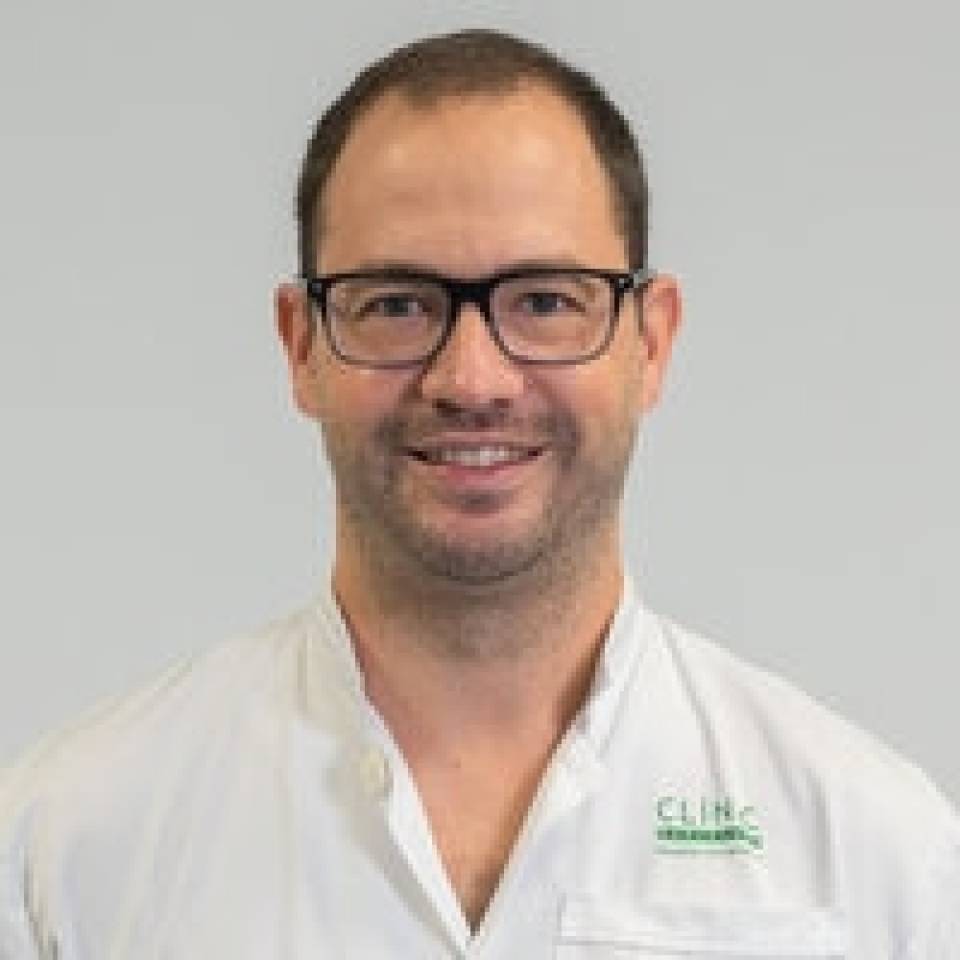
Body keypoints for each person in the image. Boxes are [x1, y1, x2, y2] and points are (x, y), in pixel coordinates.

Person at [1, 28, 957, 959]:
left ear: (651, 341)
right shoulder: (64, 855)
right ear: (300, 345)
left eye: (544, 301)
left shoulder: (880, 862)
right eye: (396, 304)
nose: (472, 379)